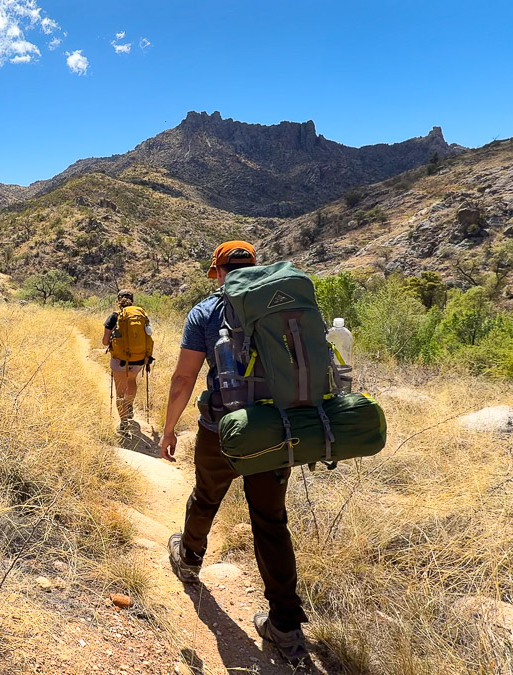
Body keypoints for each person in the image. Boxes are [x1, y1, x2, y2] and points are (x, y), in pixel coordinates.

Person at [158, 241, 311, 664]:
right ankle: (285, 626)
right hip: (278, 430)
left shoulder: (206, 312)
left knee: (207, 495)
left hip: (222, 428)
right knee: (270, 521)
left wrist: (169, 428)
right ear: (253, 268)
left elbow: (184, 378)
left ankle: (189, 558)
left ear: (218, 271)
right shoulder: (282, 304)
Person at [102, 290, 152, 430]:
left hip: (120, 360)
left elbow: (105, 342)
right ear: (132, 300)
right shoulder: (141, 315)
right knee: (131, 380)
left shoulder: (114, 317)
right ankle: (129, 404)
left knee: (120, 392)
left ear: (119, 301)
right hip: (139, 358)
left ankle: (123, 423)